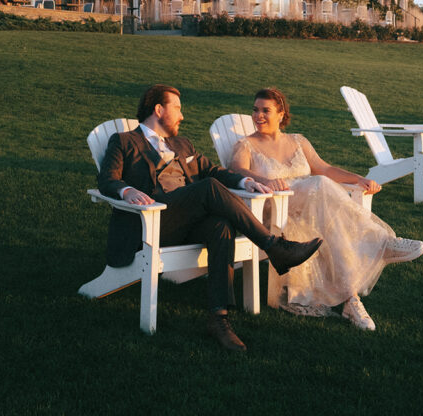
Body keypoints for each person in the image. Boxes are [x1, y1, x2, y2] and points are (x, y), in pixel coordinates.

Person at [97, 84, 322, 352]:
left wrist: (246, 181)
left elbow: (213, 170)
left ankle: (219, 319)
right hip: (149, 224)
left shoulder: (182, 144)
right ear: (158, 110)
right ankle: (274, 246)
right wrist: (126, 189)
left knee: (220, 225)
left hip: (183, 222)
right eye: (177, 109)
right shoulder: (124, 141)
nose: (182, 116)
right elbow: (107, 179)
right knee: (209, 187)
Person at [229, 87, 423, 332]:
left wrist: (358, 179)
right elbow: (236, 171)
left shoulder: (298, 141)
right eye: (255, 110)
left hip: (312, 210)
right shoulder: (246, 145)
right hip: (274, 211)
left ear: (281, 114)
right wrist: (266, 181)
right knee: (321, 188)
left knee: (332, 228)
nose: (258, 115)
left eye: (265, 111)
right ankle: (381, 242)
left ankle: (350, 300)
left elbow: (324, 168)